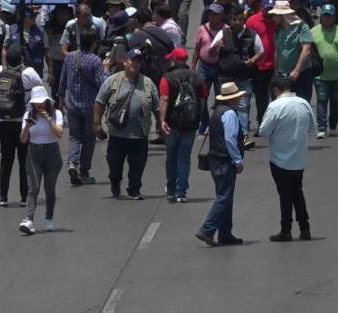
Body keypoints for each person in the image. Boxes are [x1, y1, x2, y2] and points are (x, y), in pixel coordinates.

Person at [94, 48, 160, 200]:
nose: (135, 64)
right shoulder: (112, 81)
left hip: (139, 135)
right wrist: (97, 125)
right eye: (133, 60)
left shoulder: (148, 83)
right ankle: (115, 183)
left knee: (137, 166)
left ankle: (134, 189)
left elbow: (156, 107)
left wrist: (160, 125)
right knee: (115, 165)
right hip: (117, 135)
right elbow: (99, 102)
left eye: (139, 61)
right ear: (125, 62)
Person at [260, 75, 316, 241]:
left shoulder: (275, 106)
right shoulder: (304, 103)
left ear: (276, 89)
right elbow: (312, 128)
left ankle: (286, 229)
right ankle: (305, 227)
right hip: (299, 157)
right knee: (297, 191)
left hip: (280, 158)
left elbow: (264, 131)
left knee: (285, 195)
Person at [195, 83, 247, 247]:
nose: (239, 99)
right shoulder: (230, 114)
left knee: (225, 196)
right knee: (224, 197)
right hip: (224, 160)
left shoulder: (218, 111)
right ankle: (207, 229)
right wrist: (237, 160)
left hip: (215, 159)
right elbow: (230, 139)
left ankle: (225, 233)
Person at [0, 45, 43, 207]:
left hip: (2, 121)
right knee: (24, 160)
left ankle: (3, 197)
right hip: (22, 122)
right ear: (21, 58)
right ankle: (23, 197)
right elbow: (39, 85)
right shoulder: (29, 73)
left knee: (6, 159)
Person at [59, 31, 107, 186]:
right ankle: (84, 172)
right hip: (90, 106)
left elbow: (63, 79)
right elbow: (102, 84)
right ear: (93, 43)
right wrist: (106, 70)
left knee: (74, 137)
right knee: (89, 140)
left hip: (72, 104)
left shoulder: (70, 57)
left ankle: (72, 162)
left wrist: (60, 98)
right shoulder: (95, 61)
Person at [159, 48, 207, 203]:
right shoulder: (198, 78)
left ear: (174, 60)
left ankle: (171, 190)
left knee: (171, 156)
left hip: (172, 123)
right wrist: (201, 119)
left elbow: (164, 99)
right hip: (190, 123)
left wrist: (162, 120)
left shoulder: (167, 78)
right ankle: (182, 192)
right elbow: (203, 99)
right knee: (184, 157)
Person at [17, 86, 64, 234]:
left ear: (46, 102)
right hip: (34, 153)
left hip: (52, 154)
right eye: (36, 103)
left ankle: (49, 217)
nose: (39, 106)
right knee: (34, 188)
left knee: (49, 189)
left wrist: (48, 119)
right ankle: (28, 219)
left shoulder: (56, 114)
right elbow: (23, 140)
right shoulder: (28, 115)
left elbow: (59, 134)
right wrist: (27, 128)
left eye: (42, 102)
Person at [310, 4, 338, 138]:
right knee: (322, 99)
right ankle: (322, 127)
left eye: (329, 16)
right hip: (320, 75)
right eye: (324, 16)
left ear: (334, 17)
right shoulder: (313, 32)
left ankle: (333, 125)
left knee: (335, 100)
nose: (327, 19)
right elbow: (308, 51)